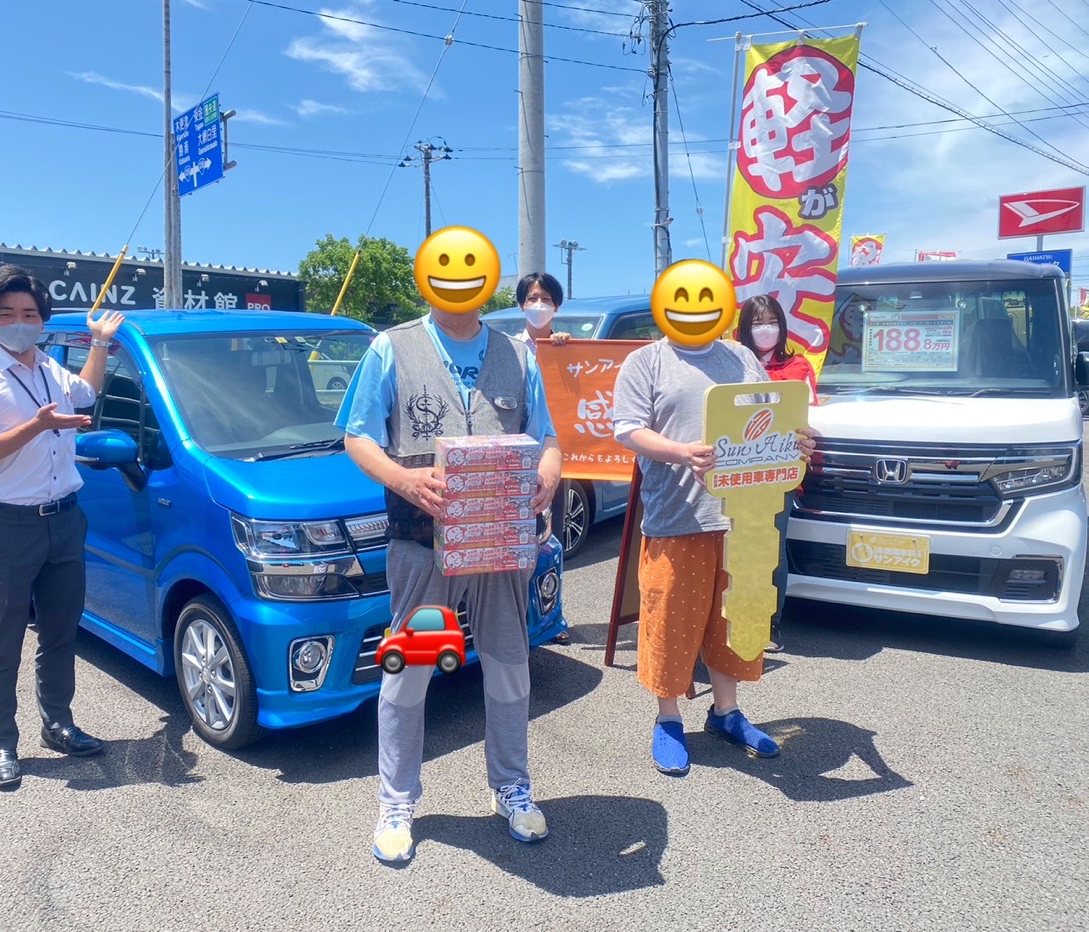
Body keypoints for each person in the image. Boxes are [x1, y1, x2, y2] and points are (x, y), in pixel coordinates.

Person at [336, 291, 562, 864]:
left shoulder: (518, 354)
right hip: (420, 538)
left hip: (501, 539)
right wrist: (405, 481)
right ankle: (396, 800)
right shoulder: (393, 347)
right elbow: (357, 436)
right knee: (410, 670)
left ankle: (511, 786)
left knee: (510, 666)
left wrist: (549, 477)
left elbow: (549, 437)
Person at [612, 310, 814, 777]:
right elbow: (627, 428)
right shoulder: (647, 361)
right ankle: (668, 720)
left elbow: (773, 415)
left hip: (742, 514)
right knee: (670, 618)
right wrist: (682, 452)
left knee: (733, 616)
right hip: (676, 514)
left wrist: (795, 442)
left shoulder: (741, 355)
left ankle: (726, 712)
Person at [0, 265, 124, 789]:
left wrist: (97, 343)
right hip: (9, 527)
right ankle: (0, 743)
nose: (20, 323)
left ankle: (59, 724)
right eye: (8, 314)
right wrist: (37, 425)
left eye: (29, 314)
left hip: (66, 519)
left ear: (42, 320)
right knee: (2, 642)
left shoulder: (50, 368)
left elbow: (87, 392)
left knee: (61, 633)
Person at [736, 294, 818, 654]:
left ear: (782, 326)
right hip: (734, 471)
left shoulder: (798, 366)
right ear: (744, 328)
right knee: (732, 546)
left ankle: (769, 622)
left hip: (779, 473)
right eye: (757, 322)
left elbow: (810, 419)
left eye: (771, 321)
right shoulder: (729, 362)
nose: (764, 329)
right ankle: (731, 618)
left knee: (771, 546)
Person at [514, 271, 573, 643]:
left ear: (557, 306)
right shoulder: (509, 350)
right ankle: (519, 618)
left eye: (547, 299)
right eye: (533, 298)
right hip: (520, 462)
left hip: (558, 459)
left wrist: (566, 349)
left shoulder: (566, 348)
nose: (540, 305)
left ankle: (553, 617)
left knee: (554, 541)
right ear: (521, 304)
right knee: (522, 543)